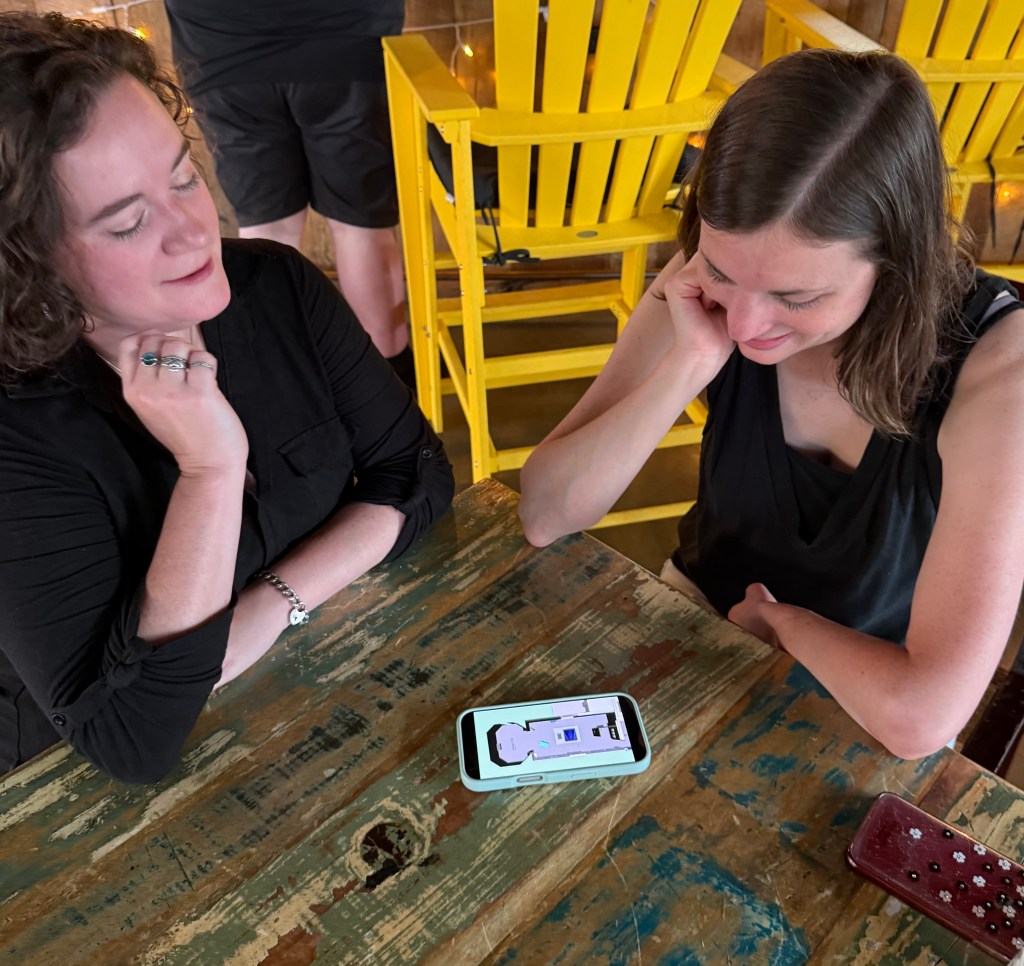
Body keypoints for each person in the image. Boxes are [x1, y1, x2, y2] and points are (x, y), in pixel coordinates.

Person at [519, 48, 1024, 761]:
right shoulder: (709, 283)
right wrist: (689, 360)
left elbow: (919, 715)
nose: (748, 325)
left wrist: (781, 623)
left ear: (897, 265)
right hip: (700, 614)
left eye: (797, 296)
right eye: (724, 272)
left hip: (866, 692)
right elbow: (546, 513)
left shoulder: (1001, 367)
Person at [0, 13, 453, 784]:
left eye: (183, 177)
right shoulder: (20, 432)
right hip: (60, 798)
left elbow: (417, 474)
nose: (193, 230)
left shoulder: (276, 288)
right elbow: (129, 735)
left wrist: (273, 606)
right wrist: (211, 469)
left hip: (315, 706)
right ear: (28, 264)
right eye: (130, 222)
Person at [162, 0, 414, 383]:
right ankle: (391, 380)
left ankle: (286, 390)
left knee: (268, 232)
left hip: (223, 50)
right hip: (347, 42)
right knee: (361, 227)